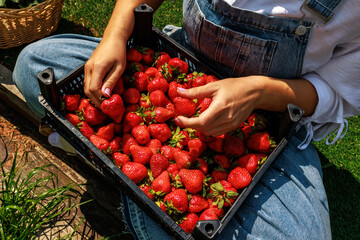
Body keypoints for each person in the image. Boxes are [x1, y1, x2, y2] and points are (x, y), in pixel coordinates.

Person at [12, 0, 360, 239]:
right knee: (34, 65)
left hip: (265, 116)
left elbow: (336, 90)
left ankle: (113, 173)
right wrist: (115, 36)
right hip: (180, 65)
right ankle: (142, 197)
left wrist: (255, 92)